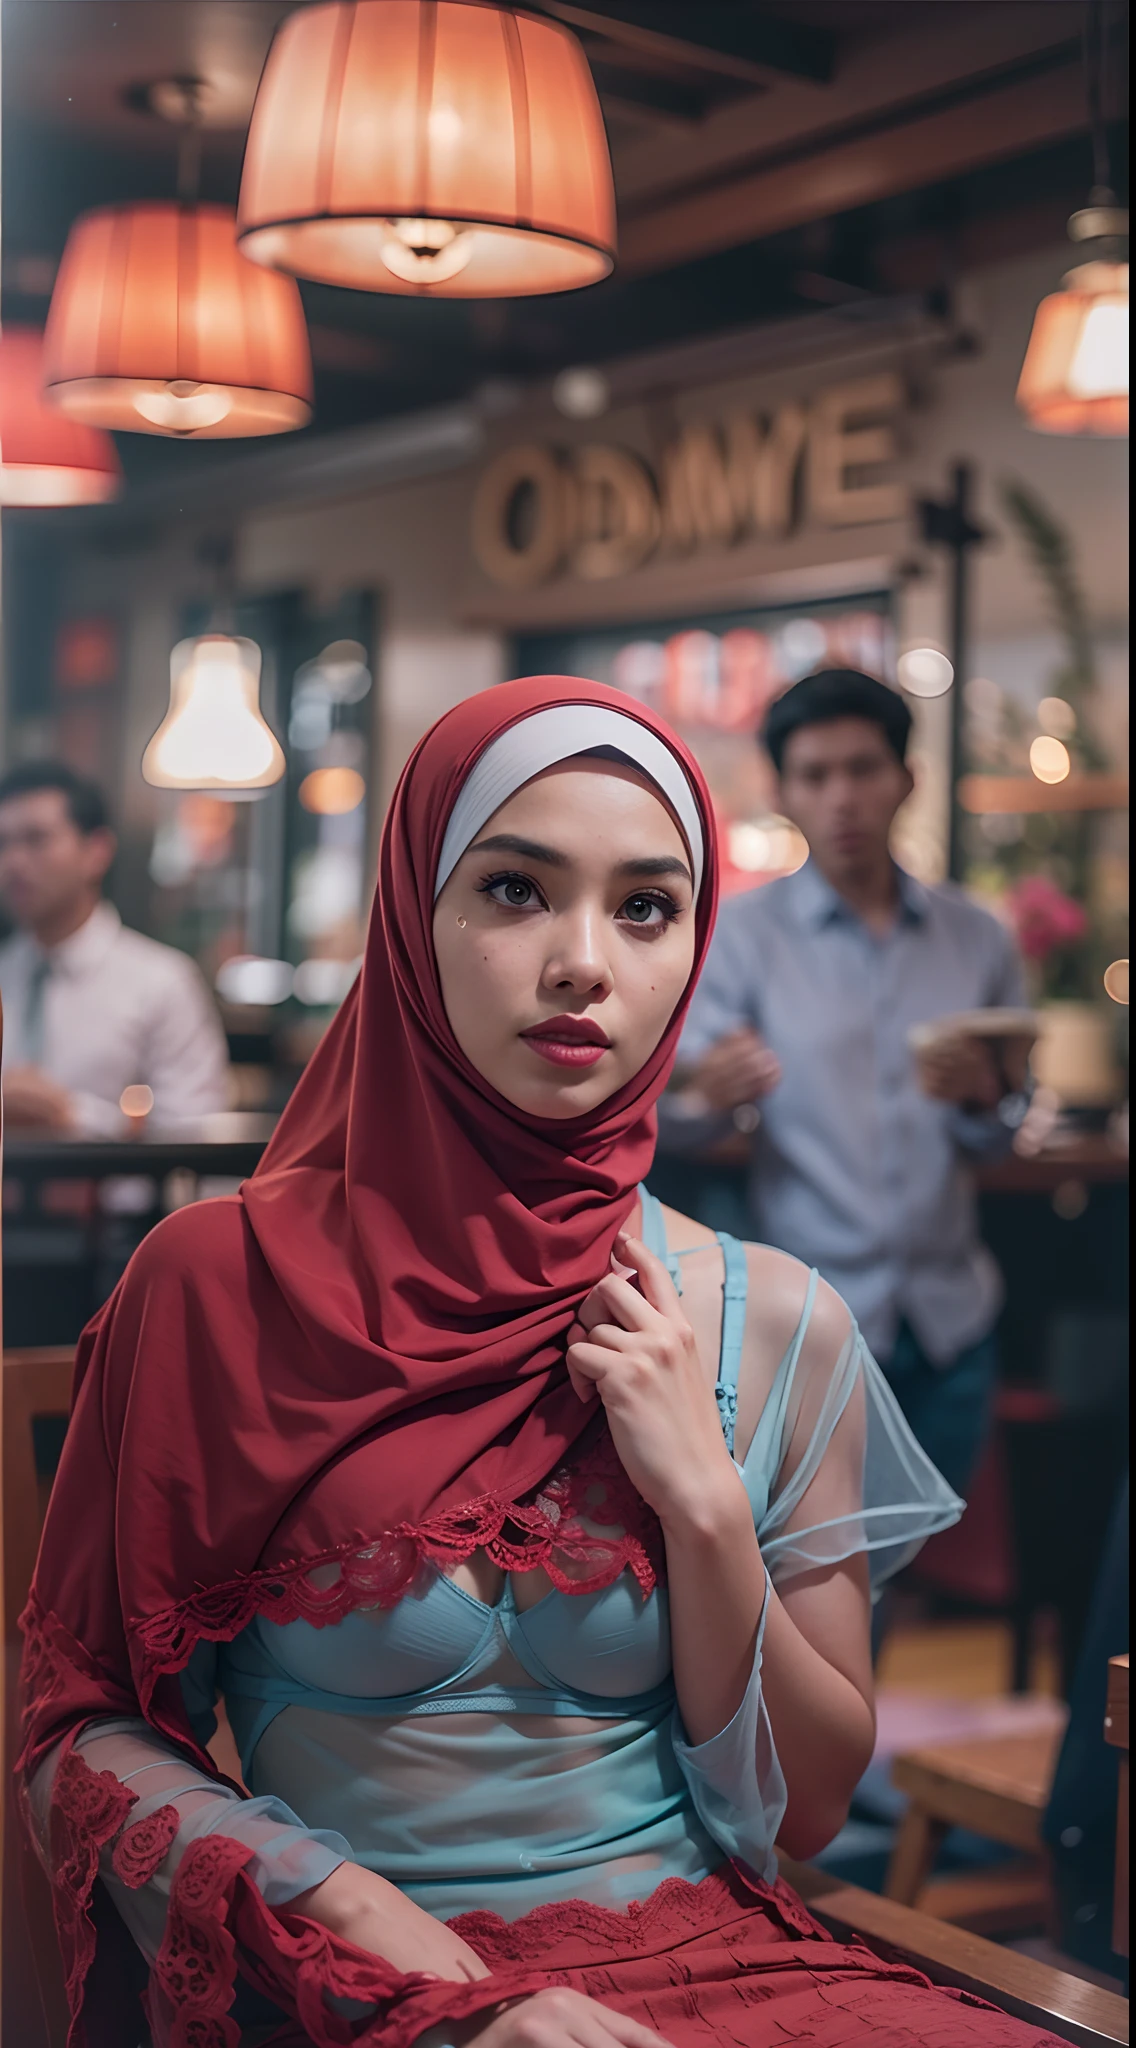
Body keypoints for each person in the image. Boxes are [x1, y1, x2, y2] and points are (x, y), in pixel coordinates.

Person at [21, 677, 1065, 2048]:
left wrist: (701, 1503)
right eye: (516, 890)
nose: (586, 960)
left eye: (646, 907)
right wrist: (388, 1940)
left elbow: (805, 1810)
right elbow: (77, 1733)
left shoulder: (772, 1318)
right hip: (363, 1987)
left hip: (716, 1971)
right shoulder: (218, 1285)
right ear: (415, 917)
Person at [658, 669, 1029, 1503]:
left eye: (863, 769)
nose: (843, 797)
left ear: (908, 779)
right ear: (783, 790)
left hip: (951, 1320)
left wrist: (985, 1100)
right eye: (816, 775)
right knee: (817, 1580)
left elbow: (1002, 1131)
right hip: (806, 1322)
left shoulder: (978, 938)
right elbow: (666, 1119)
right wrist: (704, 1098)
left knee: (914, 1563)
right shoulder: (740, 939)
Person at [0, 760, 229, 1132]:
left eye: (35, 839)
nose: (13, 862)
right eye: (3, 843)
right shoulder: (6, 971)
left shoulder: (161, 982)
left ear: (96, 852)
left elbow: (195, 1135)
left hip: (121, 1190)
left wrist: (69, 1115)